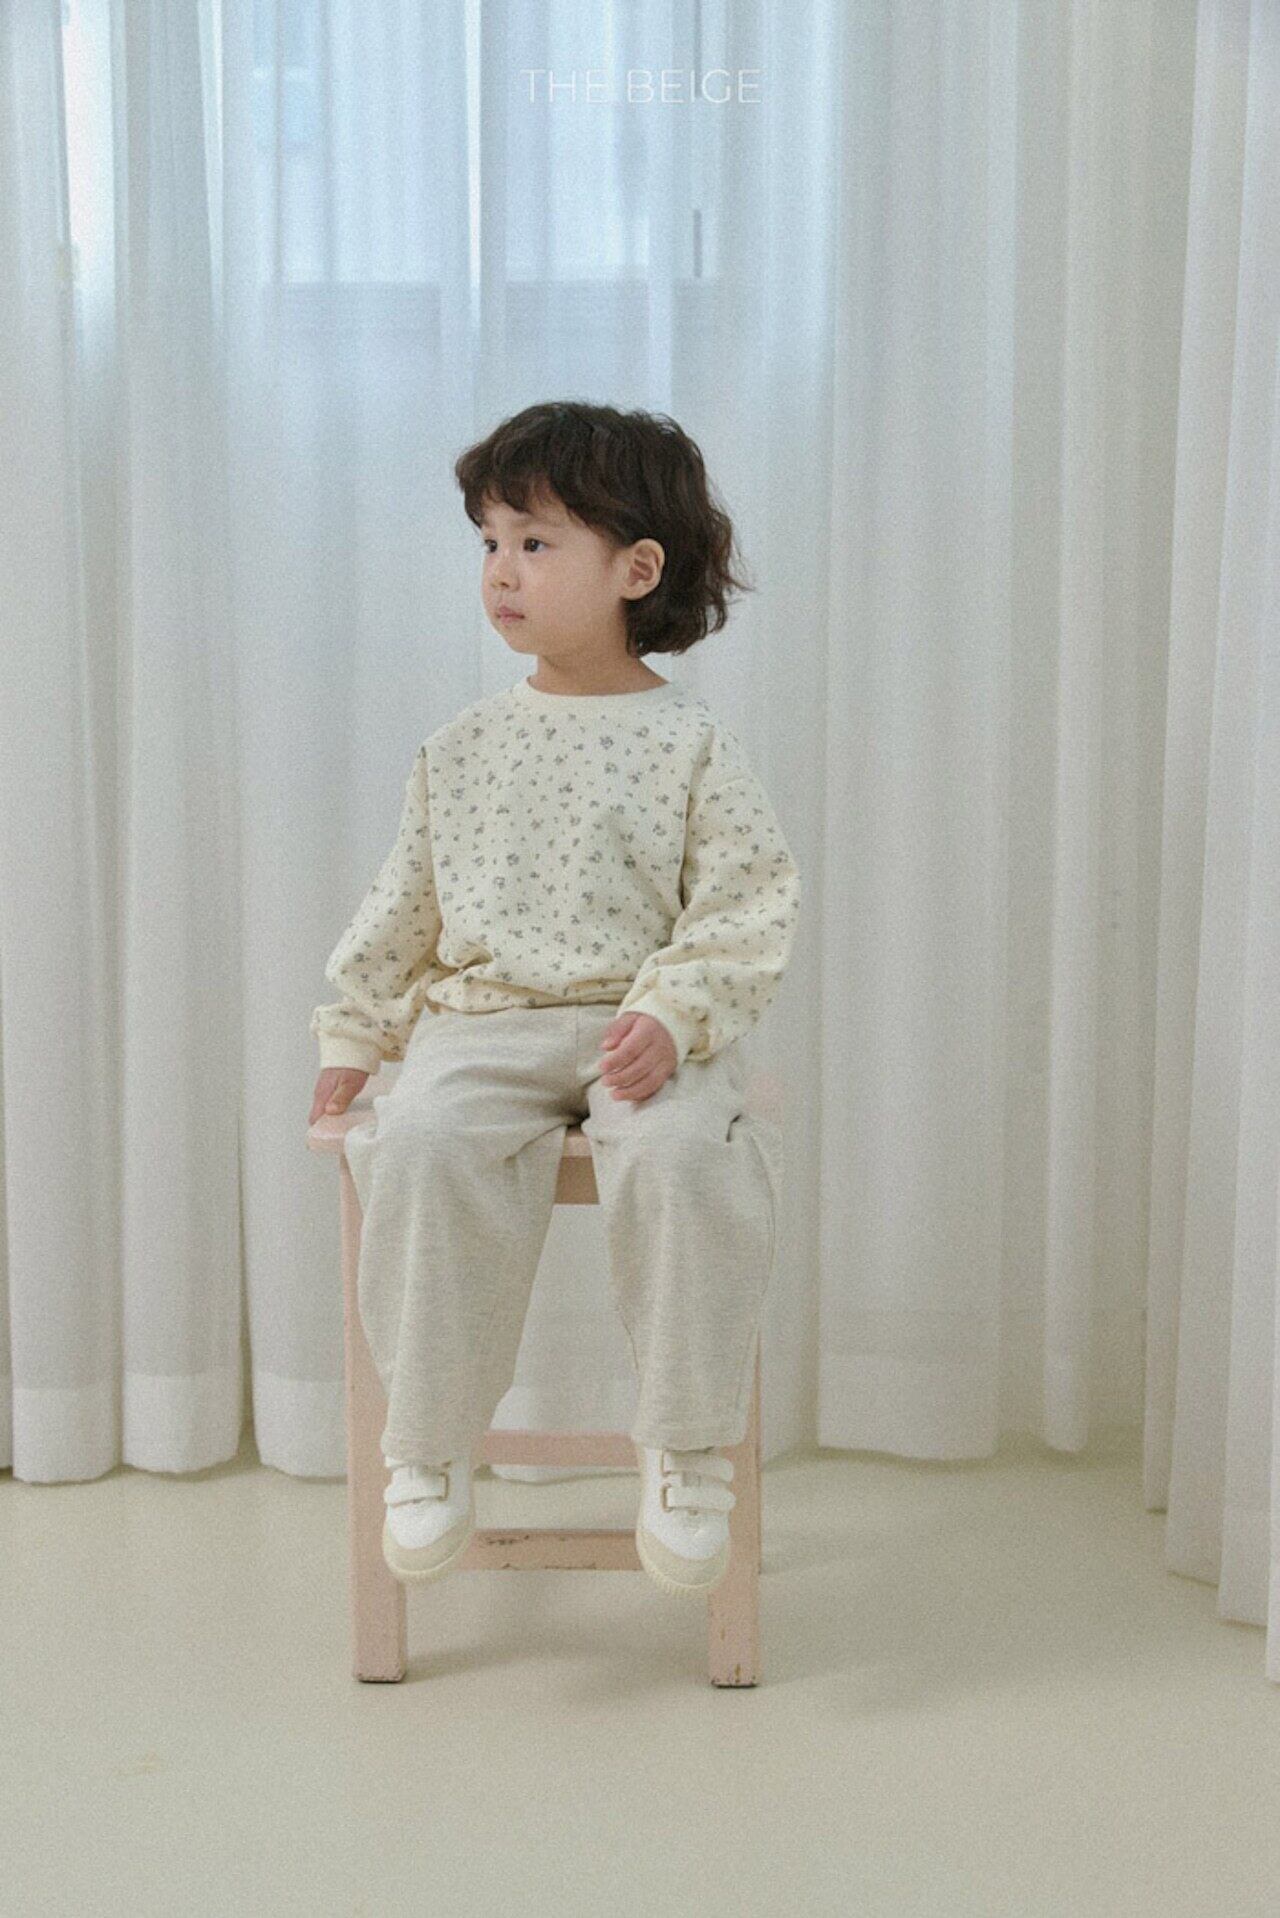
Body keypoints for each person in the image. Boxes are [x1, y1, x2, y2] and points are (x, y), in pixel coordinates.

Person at [307, 400, 801, 1597]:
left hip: (643, 1032)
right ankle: (428, 1441)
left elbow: (745, 903)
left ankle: (685, 1446)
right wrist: (353, 1032)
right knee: (419, 1142)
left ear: (636, 570)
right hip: (482, 1026)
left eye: (534, 543)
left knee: (686, 1158)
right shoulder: (461, 747)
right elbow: (404, 904)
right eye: (489, 542)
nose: (500, 571)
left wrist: (672, 1015)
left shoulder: (690, 742)